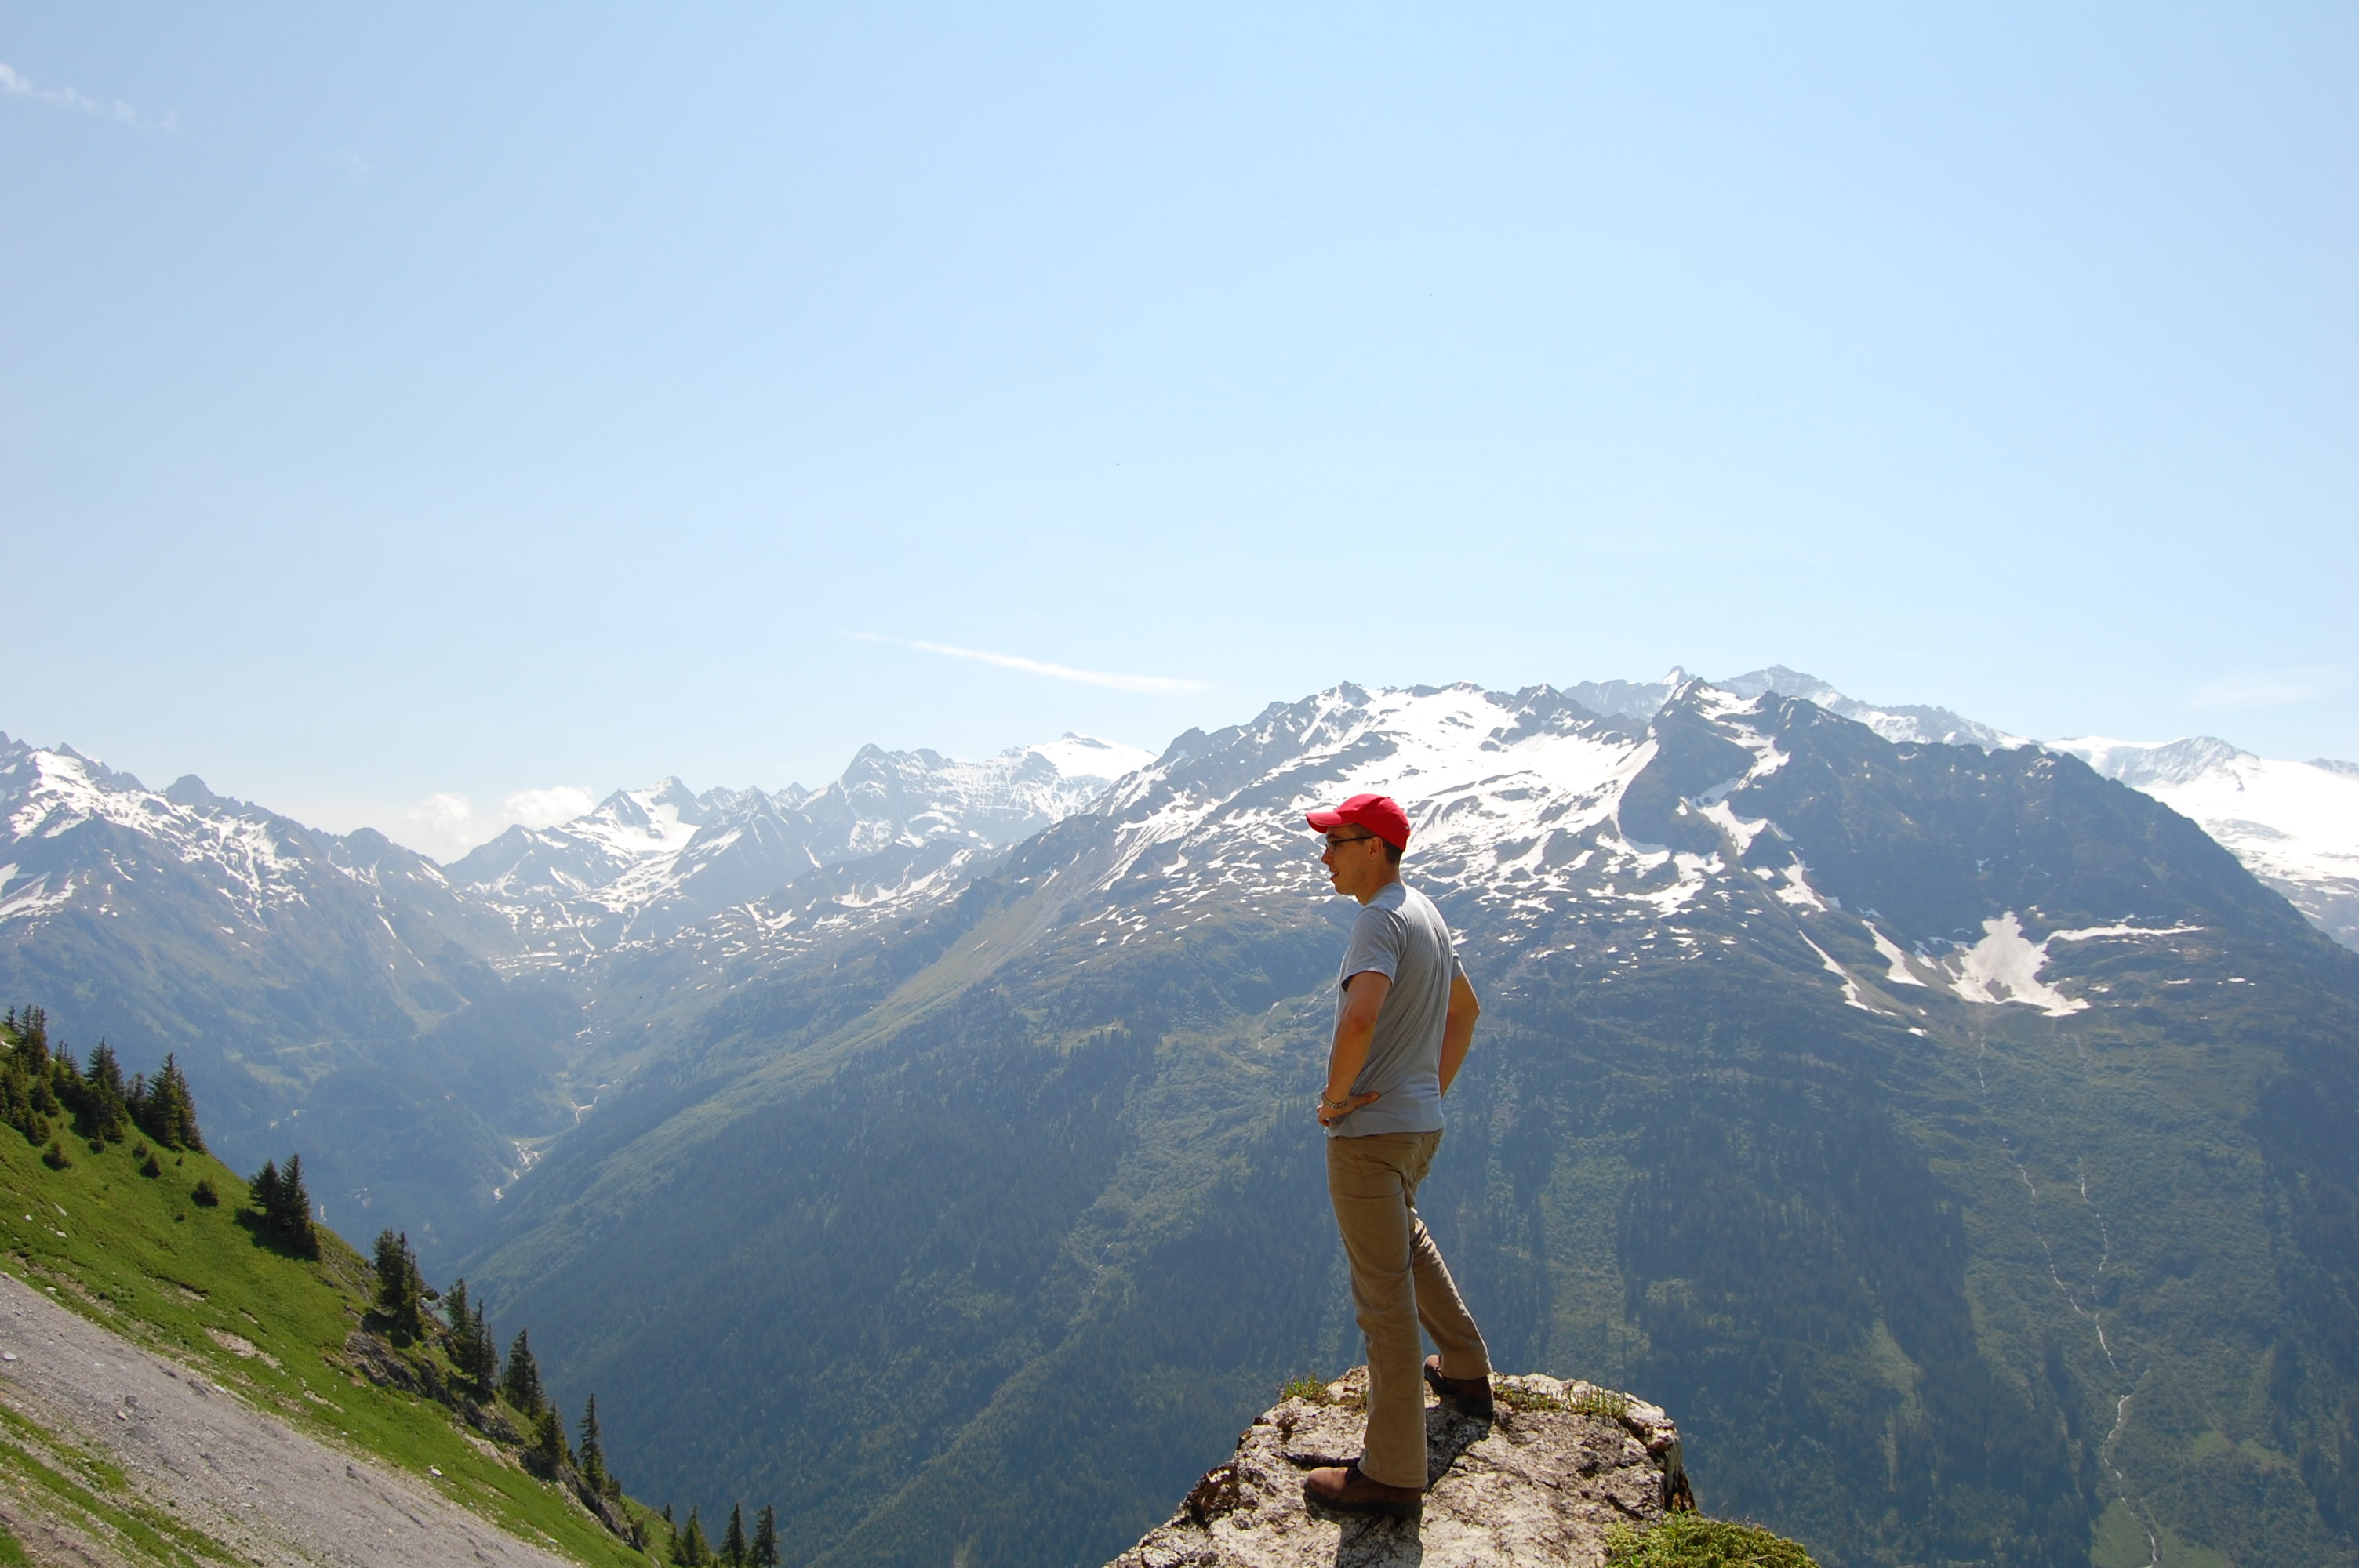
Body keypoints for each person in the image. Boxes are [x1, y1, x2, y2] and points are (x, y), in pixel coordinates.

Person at [1299, 792, 1493, 1522]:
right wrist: (1427, 1090)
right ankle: (1468, 1370)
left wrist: (1334, 1098)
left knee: (1381, 1299)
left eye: (1337, 842)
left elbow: (1360, 1015)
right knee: (1404, 1242)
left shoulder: (1377, 919)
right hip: (1417, 1126)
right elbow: (1466, 1010)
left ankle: (1391, 1472)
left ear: (1375, 846)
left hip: (1371, 1135)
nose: (1325, 856)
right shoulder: (1426, 913)